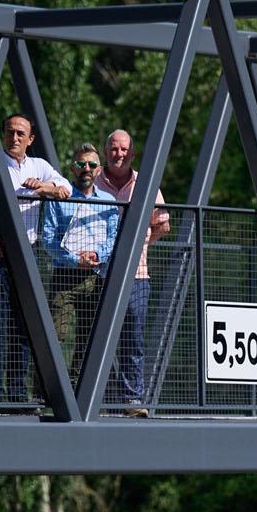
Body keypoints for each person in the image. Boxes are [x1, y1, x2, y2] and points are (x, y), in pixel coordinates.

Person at [0, 114, 71, 406]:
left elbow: (65, 189)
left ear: (31, 139)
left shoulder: (40, 166)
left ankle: (16, 392)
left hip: (31, 251)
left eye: (21, 134)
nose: (14, 138)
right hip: (1, 252)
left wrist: (44, 188)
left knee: (25, 324)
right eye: (10, 132)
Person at [93, 129, 169, 416]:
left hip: (137, 274)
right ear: (106, 152)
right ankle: (97, 397)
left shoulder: (146, 184)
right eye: (113, 149)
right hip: (100, 273)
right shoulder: (94, 181)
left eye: (124, 149)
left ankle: (131, 400)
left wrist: (144, 241)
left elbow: (162, 223)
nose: (119, 154)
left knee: (132, 339)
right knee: (96, 336)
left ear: (132, 153)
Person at [42, 144, 120, 357]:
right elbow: (48, 240)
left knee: (89, 339)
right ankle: (45, 391)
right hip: (64, 277)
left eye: (91, 164)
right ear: (73, 168)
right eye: (81, 163)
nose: (86, 168)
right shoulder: (59, 197)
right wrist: (75, 259)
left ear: (99, 170)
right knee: (54, 338)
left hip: (95, 277)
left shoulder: (109, 202)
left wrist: (97, 256)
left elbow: (113, 238)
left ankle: (79, 388)